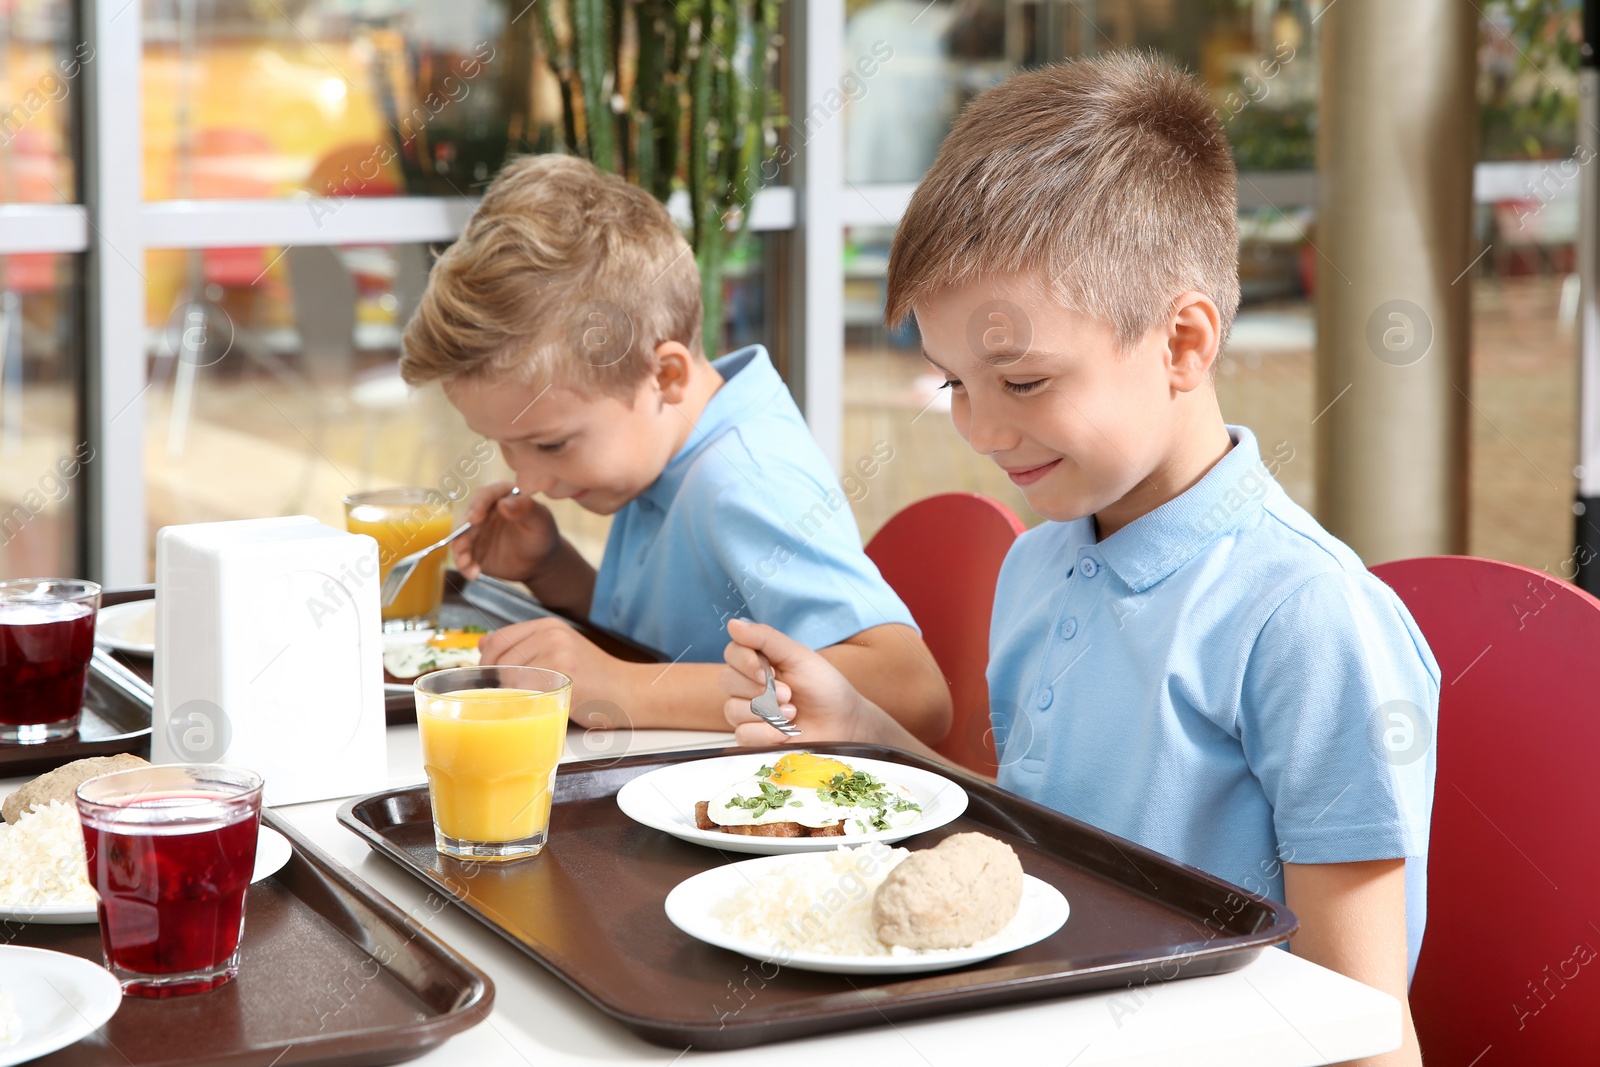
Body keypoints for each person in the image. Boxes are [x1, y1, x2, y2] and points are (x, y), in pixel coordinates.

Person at [720, 53, 1434, 1067]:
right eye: (953, 382)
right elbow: (1040, 848)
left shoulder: (1308, 620)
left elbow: (1362, 1024)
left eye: (1021, 379)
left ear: (1184, 344)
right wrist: (872, 737)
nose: (980, 425)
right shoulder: (1036, 567)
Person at [398, 154, 951, 740]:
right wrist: (552, 570)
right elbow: (670, 641)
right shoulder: (661, 447)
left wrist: (620, 689)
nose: (529, 480)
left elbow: (912, 692)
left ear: (664, 377)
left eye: (550, 443)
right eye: (504, 447)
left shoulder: (745, 477)